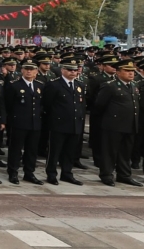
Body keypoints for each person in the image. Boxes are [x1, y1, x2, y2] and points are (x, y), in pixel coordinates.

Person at [93, 59, 141, 187]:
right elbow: (99, 105)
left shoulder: (134, 85)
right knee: (110, 151)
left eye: (132, 71)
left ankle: (124, 175)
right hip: (113, 124)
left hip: (130, 124)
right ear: (118, 72)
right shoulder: (110, 85)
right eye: (127, 71)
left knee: (125, 152)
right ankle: (106, 175)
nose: (131, 74)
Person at [43, 57, 85, 186]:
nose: (73, 72)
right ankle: (51, 174)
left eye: (75, 70)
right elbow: (47, 104)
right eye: (69, 70)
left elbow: (81, 105)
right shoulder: (54, 84)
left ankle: (67, 173)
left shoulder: (79, 85)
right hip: (58, 124)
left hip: (74, 124)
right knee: (54, 151)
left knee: (70, 151)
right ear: (62, 70)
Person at [4, 61, 45, 185]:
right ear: (21, 70)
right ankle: (13, 172)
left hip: (35, 123)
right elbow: (8, 105)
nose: (29, 71)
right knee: (16, 149)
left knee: (32, 150)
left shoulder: (40, 85)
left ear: (36, 72)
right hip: (19, 122)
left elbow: (42, 105)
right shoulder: (14, 85)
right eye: (26, 69)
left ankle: (29, 172)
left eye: (32, 69)